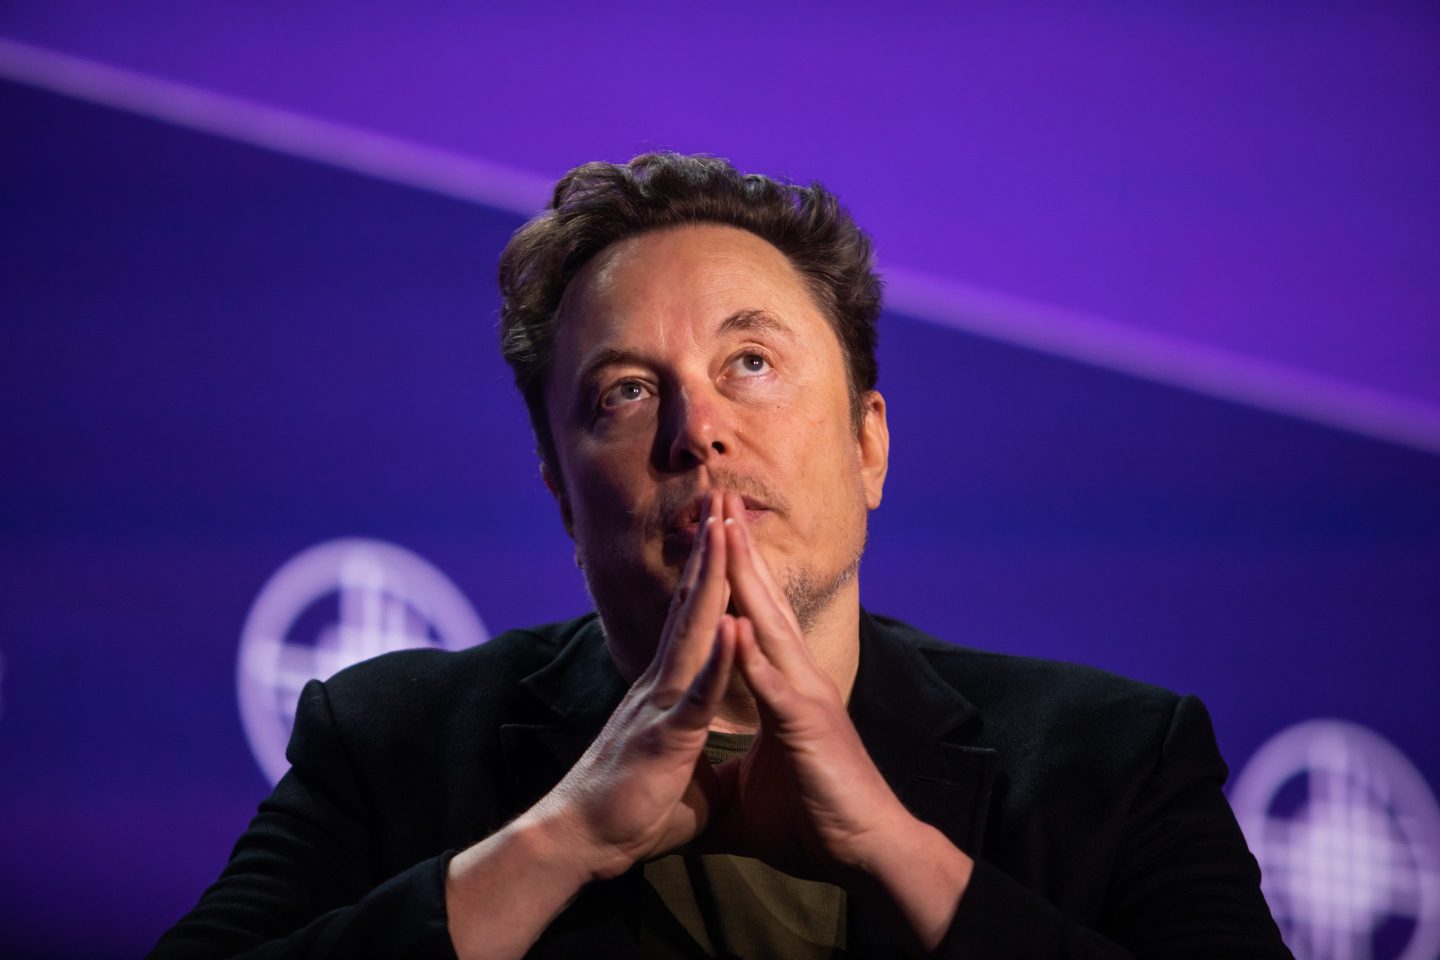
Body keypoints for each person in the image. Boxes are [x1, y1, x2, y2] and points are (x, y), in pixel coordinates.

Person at [150, 153, 1292, 959]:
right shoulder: (391, 746)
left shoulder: (1114, 764)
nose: (698, 431)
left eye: (751, 362)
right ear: (561, 496)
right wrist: (564, 839)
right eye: (626, 391)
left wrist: (896, 851)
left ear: (867, 447)